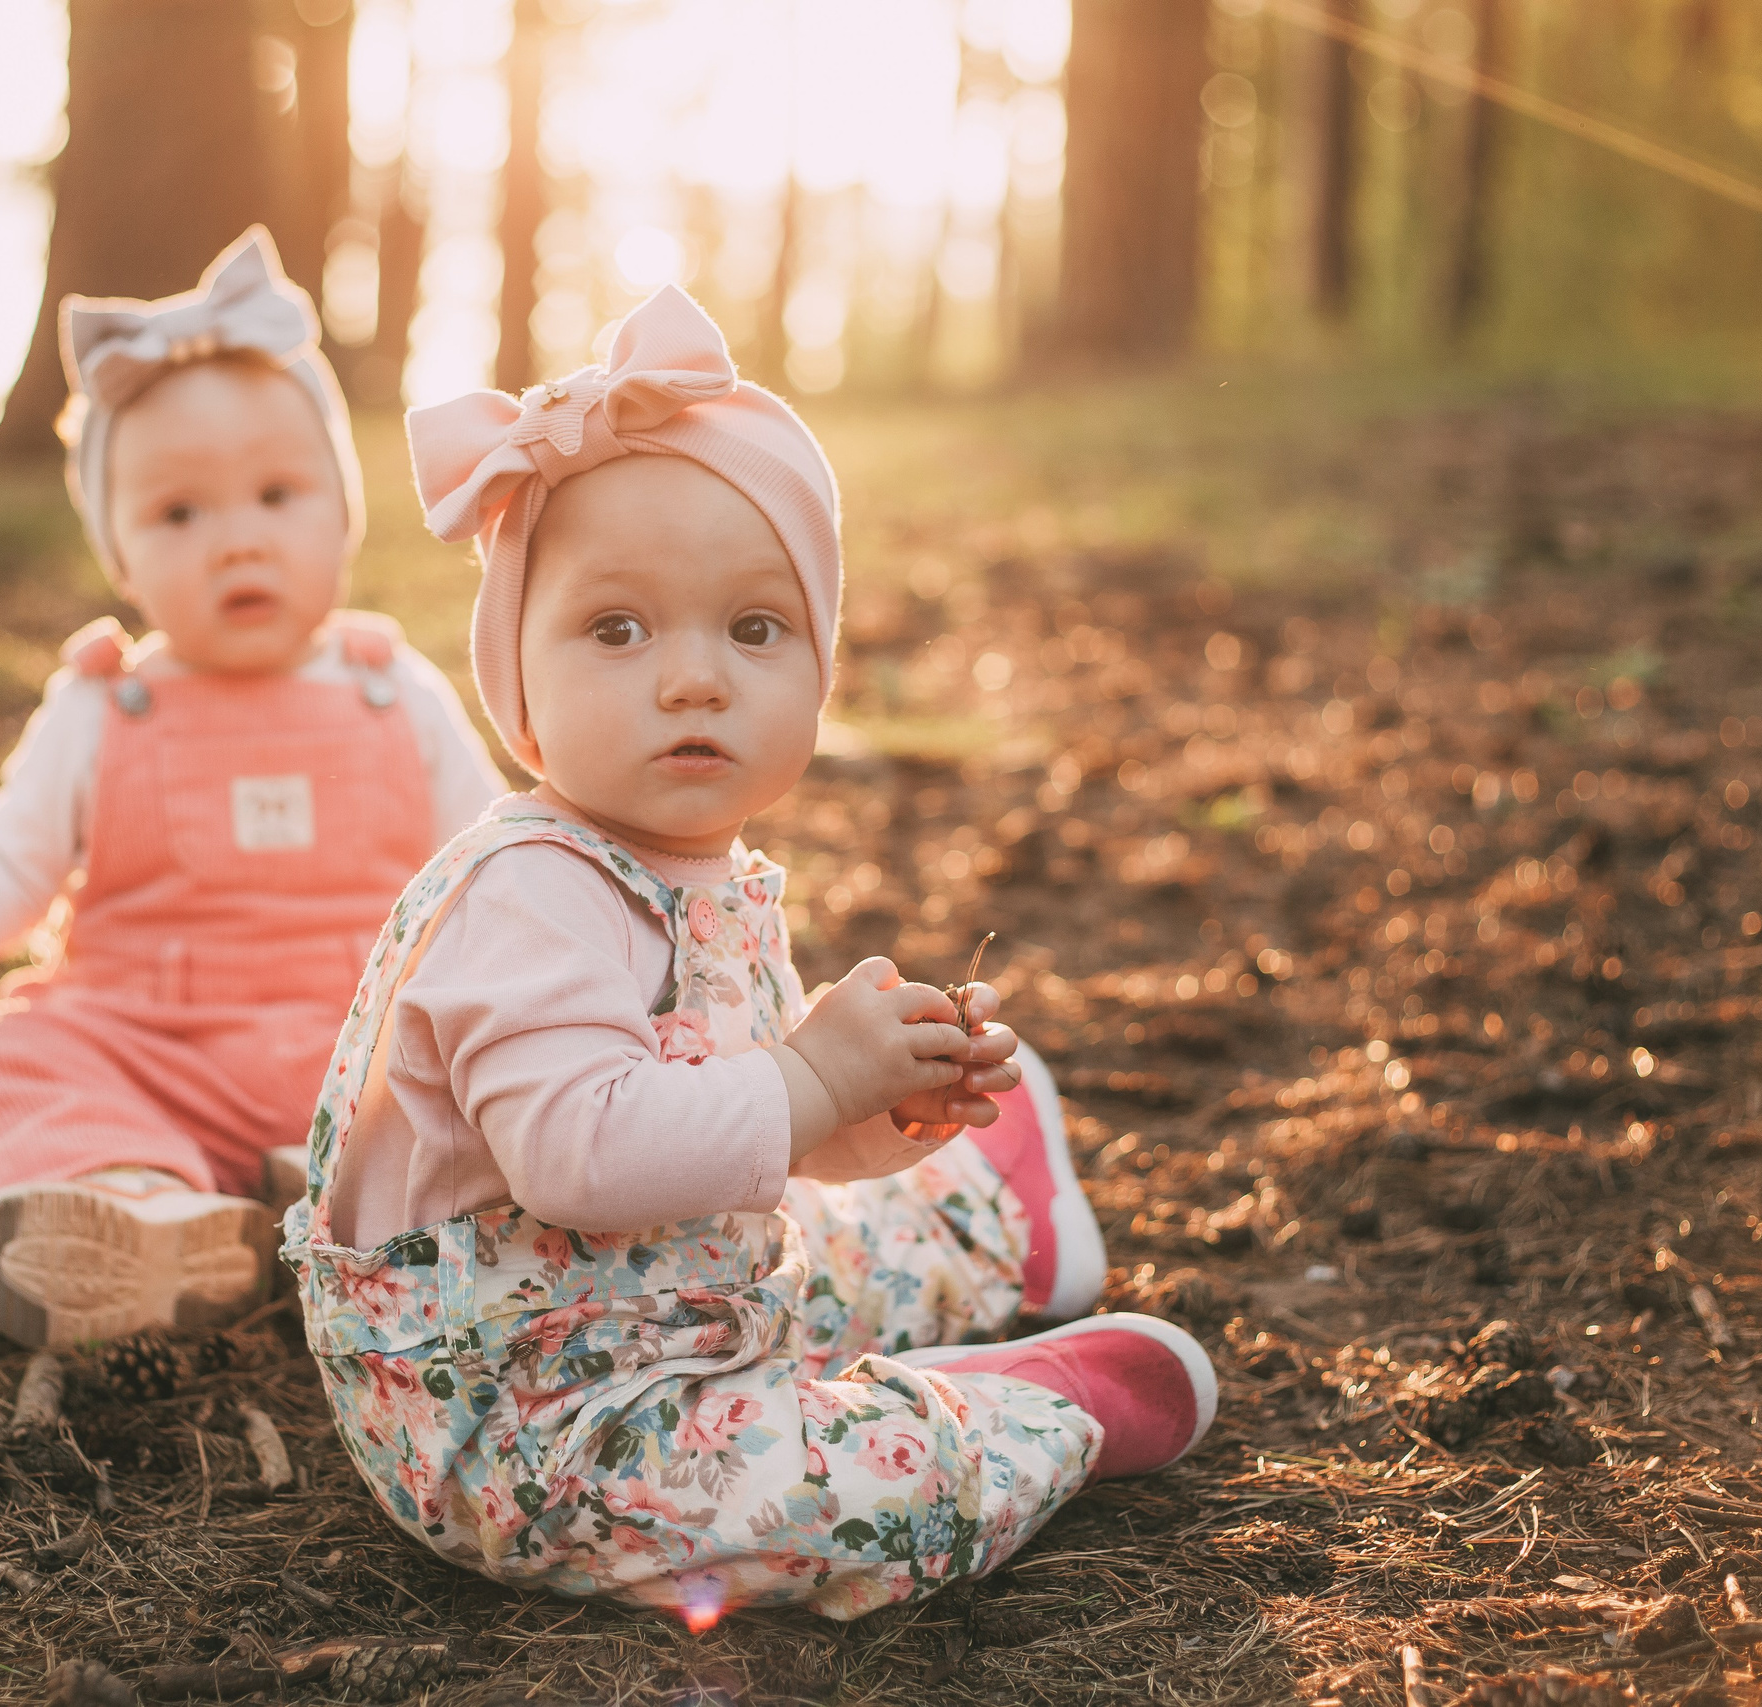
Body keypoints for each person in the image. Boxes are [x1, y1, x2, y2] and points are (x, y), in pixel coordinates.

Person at [281, 286, 1214, 1623]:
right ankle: (1003, 1415)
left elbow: (745, 1145)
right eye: (619, 628)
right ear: (520, 686)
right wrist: (808, 1078)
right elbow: (583, 1159)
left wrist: (878, 1104)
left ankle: (993, 1215)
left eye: (754, 629)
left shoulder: (700, 876)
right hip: (528, 1420)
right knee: (821, 1495)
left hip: (664, 1306)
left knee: (818, 1252)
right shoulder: (528, 895)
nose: (693, 678)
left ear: (816, 681)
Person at [0, 229, 503, 1350]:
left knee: (501, 1070)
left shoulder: (390, 689)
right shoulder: (104, 705)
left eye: (275, 494)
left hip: (360, 1060)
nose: (236, 543)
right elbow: (13, 856)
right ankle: (146, 1213)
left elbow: (494, 863)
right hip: (144, 1045)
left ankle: (353, 1195)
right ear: (120, 553)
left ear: (339, 514)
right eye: (179, 515)